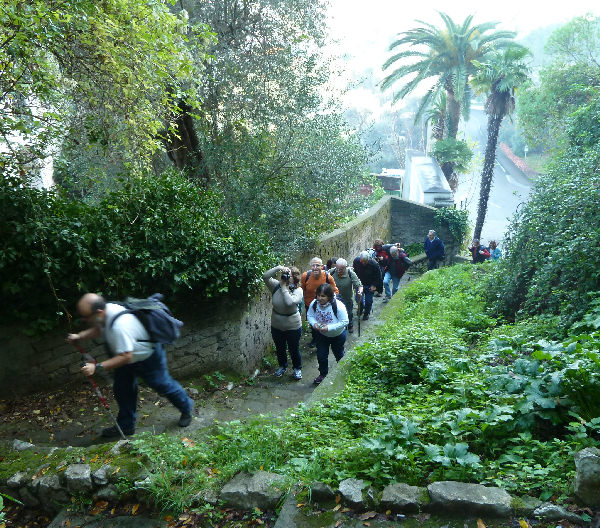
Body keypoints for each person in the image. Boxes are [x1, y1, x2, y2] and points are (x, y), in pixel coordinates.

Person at [67, 293, 194, 437]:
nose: (84, 320)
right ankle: (126, 426)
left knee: (162, 384)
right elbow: (99, 329)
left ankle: (186, 408)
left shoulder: (120, 327)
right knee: (123, 390)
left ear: (99, 312)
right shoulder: (108, 311)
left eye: (86, 316)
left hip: (147, 358)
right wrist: (80, 336)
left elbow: (126, 356)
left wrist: (97, 367)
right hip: (128, 357)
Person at [263, 265, 304, 380]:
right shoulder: (275, 285)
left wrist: (283, 287)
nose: (285, 277)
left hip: (293, 326)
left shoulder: (298, 290)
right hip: (277, 324)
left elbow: (289, 302)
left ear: (294, 277)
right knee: (279, 347)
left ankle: (297, 368)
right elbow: (265, 276)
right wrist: (278, 268)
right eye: (285, 275)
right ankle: (282, 366)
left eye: (289, 276)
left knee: (293, 348)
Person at [307, 283, 349, 386]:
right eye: (318, 295)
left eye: (323, 296)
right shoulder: (314, 303)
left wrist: (329, 328)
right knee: (321, 355)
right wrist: (314, 324)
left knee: (339, 354)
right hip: (322, 335)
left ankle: (343, 372)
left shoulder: (338, 306)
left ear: (329, 296)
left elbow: (345, 321)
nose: (320, 298)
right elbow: (310, 315)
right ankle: (323, 374)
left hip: (338, 335)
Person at [301, 257, 339, 347]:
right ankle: (315, 339)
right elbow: (301, 290)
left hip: (324, 306)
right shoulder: (305, 276)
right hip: (310, 305)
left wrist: (331, 303)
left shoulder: (327, 277)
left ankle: (324, 339)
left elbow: (335, 291)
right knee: (313, 324)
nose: (315, 268)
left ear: (322, 266)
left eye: (317, 265)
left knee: (324, 322)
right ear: (310, 267)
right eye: (313, 265)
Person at [328, 258, 363, 333]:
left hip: (347, 298)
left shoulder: (350, 273)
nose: (338, 271)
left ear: (345, 267)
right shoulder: (332, 272)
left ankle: (350, 325)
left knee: (349, 312)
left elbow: (359, 285)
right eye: (337, 268)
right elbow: (324, 278)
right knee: (335, 312)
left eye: (341, 269)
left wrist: (360, 292)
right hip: (335, 298)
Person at [352, 251, 383, 321]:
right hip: (360, 285)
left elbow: (378, 276)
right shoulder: (356, 261)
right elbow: (354, 273)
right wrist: (354, 283)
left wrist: (374, 285)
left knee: (369, 301)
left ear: (368, 259)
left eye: (365, 262)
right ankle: (361, 308)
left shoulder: (374, 264)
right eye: (362, 261)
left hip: (370, 285)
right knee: (359, 299)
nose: (363, 263)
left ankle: (366, 313)